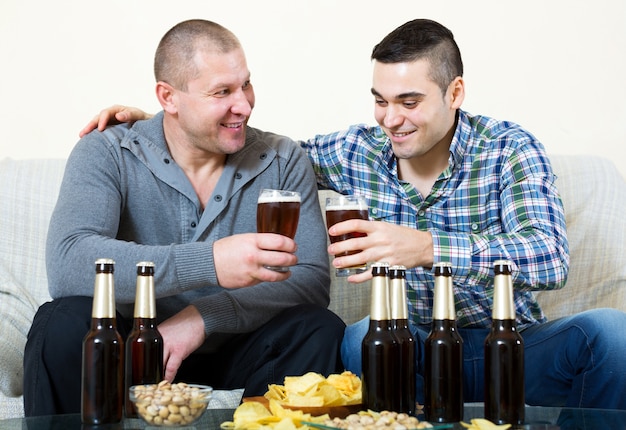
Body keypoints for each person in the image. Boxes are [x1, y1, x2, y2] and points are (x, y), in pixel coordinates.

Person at [80, 19, 626, 410]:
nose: (391, 119)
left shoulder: (509, 148)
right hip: (403, 349)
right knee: (353, 335)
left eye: (409, 102)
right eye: (380, 100)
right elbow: (259, 150)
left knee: (612, 333)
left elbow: (549, 258)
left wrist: (426, 248)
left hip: (504, 346)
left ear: (455, 92)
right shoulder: (354, 150)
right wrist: (166, 122)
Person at [23, 19, 346, 417]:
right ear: (169, 97)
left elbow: (310, 278)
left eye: (245, 84)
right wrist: (211, 261)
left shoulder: (282, 159)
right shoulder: (107, 152)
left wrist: (202, 318)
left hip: (237, 345)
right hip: (128, 348)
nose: (243, 104)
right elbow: (69, 263)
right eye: (222, 92)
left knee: (318, 327)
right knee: (61, 321)